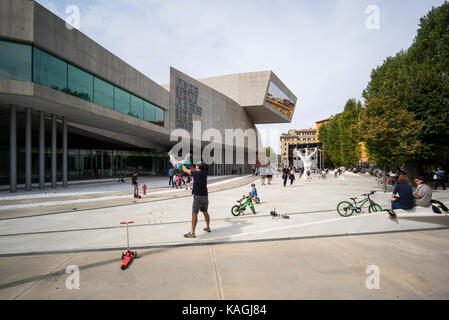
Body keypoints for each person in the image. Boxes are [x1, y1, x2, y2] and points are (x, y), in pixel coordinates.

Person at [182, 161, 211, 238]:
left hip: (198, 197)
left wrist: (182, 164)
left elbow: (185, 170)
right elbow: (194, 170)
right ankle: (207, 227)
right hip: (205, 196)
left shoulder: (196, 173)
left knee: (194, 214)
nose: (196, 166)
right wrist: (190, 166)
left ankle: (192, 233)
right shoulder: (204, 173)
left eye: (197, 165)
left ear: (198, 167)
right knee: (205, 212)